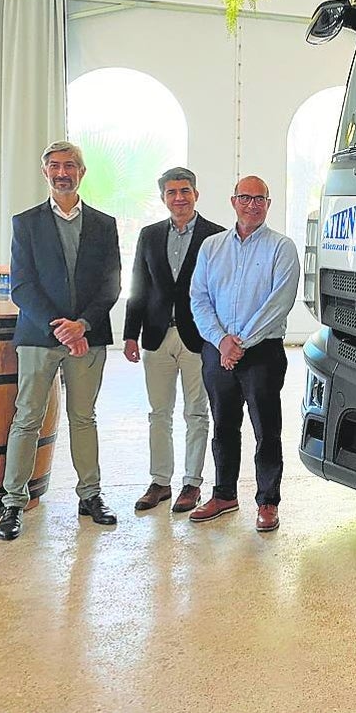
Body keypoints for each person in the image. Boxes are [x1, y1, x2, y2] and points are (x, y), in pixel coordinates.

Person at [0, 141, 121, 541]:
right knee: (27, 417)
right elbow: (21, 287)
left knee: (84, 418)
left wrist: (81, 325)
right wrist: (60, 329)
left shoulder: (104, 224)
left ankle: (90, 495)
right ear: (44, 172)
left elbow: (111, 284)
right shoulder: (26, 223)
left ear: (81, 172)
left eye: (69, 165)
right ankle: (13, 504)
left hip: (88, 337)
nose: (61, 172)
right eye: (54, 166)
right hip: (38, 337)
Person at [188, 175, 299, 532]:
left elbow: (278, 304)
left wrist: (240, 343)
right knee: (223, 425)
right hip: (217, 351)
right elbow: (199, 299)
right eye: (245, 198)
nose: (252, 205)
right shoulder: (211, 247)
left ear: (269, 204)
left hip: (262, 352)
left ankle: (268, 502)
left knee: (267, 429)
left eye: (260, 199)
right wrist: (222, 342)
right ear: (233, 201)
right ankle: (223, 495)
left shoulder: (282, 248)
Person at [123, 167, 226, 514]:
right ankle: (160, 482)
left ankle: (192, 484)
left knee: (197, 412)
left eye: (185, 191)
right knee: (159, 413)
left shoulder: (216, 237)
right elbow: (139, 285)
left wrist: (222, 336)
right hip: (156, 335)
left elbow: (222, 291)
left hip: (199, 337)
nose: (178, 198)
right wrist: (129, 334)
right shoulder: (149, 235)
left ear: (196, 193)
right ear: (163, 197)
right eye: (171, 192)